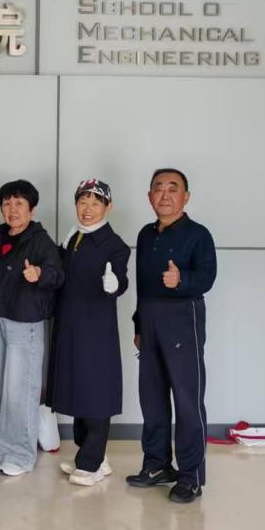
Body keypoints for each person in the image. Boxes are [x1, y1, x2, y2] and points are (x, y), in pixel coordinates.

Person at [127, 168, 217, 504]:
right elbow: (142, 286)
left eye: (172, 189)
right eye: (158, 189)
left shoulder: (198, 234)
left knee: (187, 400)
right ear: (149, 196)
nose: (165, 195)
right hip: (150, 322)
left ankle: (191, 476)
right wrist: (139, 326)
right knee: (151, 399)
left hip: (183, 319)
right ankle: (157, 465)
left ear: (186, 197)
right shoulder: (146, 234)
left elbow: (207, 277)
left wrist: (181, 281)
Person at [46, 179, 130, 486]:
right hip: (69, 325)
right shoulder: (74, 236)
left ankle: (91, 463)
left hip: (96, 330)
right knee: (77, 388)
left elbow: (121, 278)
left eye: (95, 203)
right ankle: (94, 455)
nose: (88, 209)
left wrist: (115, 284)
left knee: (96, 391)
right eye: (83, 202)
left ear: (108, 207)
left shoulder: (114, 245)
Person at [0, 179, 63, 477]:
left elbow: (57, 275)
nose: (12, 209)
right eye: (7, 203)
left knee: (21, 390)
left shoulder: (40, 240)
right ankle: (5, 449)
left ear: (32, 209)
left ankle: (20, 456)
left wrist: (39, 273)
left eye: (19, 203)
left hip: (25, 321)